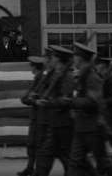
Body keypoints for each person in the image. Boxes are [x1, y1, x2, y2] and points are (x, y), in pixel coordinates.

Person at [67, 42, 112, 176]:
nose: (73, 60)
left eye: (75, 56)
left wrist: (72, 102)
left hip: (93, 127)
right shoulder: (81, 75)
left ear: (80, 58)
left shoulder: (91, 77)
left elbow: (93, 102)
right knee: (75, 162)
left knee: (103, 163)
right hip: (81, 126)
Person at [35, 45, 74, 176]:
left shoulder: (67, 76)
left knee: (70, 159)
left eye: (53, 57)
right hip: (55, 122)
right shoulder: (55, 75)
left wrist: (48, 103)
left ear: (58, 60)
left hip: (64, 124)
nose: (51, 60)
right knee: (44, 156)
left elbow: (66, 100)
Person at [18, 56, 45, 176]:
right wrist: (29, 99)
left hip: (41, 117)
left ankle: (36, 170)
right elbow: (25, 98)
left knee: (38, 144)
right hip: (35, 116)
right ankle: (30, 167)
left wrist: (31, 100)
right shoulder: (37, 79)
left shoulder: (41, 80)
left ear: (35, 67)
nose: (31, 68)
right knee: (31, 143)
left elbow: (29, 98)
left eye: (32, 66)